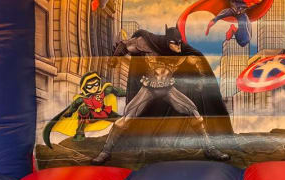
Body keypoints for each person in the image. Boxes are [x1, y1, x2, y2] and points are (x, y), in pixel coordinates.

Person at [91, 27, 231, 164]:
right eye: (175, 43)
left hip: (168, 89)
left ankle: (209, 149)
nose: (178, 47)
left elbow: (197, 61)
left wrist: (200, 80)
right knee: (126, 119)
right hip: (149, 88)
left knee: (194, 113)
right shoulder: (147, 43)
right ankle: (105, 152)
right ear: (167, 42)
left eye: (180, 43)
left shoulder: (182, 53)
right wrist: (115, 58)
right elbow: (125, 45)